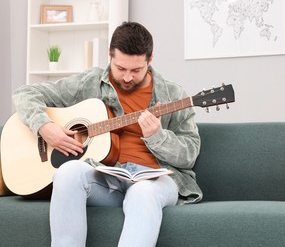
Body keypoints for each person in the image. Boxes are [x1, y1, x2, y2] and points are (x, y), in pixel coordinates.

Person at [12, 21, 203, 247]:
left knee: (142, 192)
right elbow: (25, 93)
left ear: (149, 61)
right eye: (120, 68)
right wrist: (44, 126)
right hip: (106, 176)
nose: (127, 77)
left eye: (136, 70)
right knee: (68, 172)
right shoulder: (90, 83)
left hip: (154, 180)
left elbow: (190, 154)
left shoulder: (173, 95)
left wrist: (157, 136)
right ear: (110, 56)